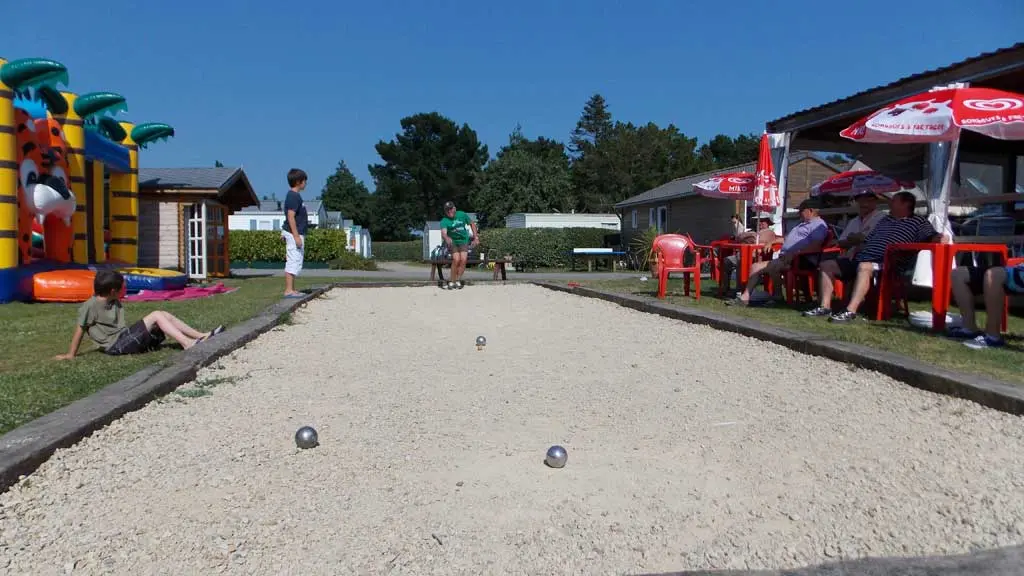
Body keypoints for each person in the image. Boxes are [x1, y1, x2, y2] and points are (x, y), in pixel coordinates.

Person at [802, 191, 942, 322]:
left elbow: (933, 237)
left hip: (888, 264)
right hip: (861, 257)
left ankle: (850, 311)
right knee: (826, 265)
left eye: (894, 201)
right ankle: (825, 307)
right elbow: (869, 240)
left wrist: (941, 238)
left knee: (865, 267)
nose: (890, 204)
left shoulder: (918, 222)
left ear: (905, 204)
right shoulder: (885, 220)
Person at [56, 270, 224, 359]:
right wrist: (71, 354)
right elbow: (80, 329)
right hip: (115, 346)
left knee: (162, 313)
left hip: (123, 338)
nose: (125, 289)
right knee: (157, 315)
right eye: (123, 287)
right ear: (113, 291)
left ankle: (201, 335)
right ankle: (187, 343)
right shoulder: (90, 306)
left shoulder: (113, 300)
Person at [728, 198, 828, 306]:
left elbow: (815, 246)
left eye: (801, 211)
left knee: (765, 267)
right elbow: (786, 239)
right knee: (759, 266)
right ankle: (765, 296)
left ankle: (754, 298)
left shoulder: (818, 225)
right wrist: (772, 242)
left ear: (810, 210)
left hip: (801, 259)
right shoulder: (802, 224)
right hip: (787, 257)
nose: (799, 213)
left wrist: (795, 253)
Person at [947, 261, 1024, 350]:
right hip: (1015, 268)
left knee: (994, 275)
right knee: (958, 274)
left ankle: (992, 337)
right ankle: (969, 328)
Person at [720, 215, 777, 295]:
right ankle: (725, 288)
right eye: (759, 220)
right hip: (744, 254)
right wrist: (749, 236)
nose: (760, 222)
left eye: (763, 221)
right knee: (727, 260)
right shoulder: (754, 231)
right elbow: (740, 237)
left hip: (759, 257)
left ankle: (739, 289)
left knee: (741, 259)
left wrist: (748, 236)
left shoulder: (769, 232)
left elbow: (754, 239)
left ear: (768, 223)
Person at [439, 201, 479, 290]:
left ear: (454, 209)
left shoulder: (462, 214)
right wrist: (446, 237)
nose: (449, 212)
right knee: (456, 260)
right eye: (447, 211)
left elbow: (472, 224)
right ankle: (452, 281)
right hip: (453, 242)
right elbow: (444, 233)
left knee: (463, 260)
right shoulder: (444, 220)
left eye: (450, 209)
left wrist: (476, 237)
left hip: (464, 240)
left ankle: (457, 279)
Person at [282, 168, 308, 298]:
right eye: (304, 181)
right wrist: (296, 236)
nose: (306, 183)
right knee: (293, 260)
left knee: (296, 260)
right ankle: (288, 290)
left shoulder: (295, 196)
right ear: (298, 182)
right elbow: (290, 216)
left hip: (293, 233)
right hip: (294, 234)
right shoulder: (293, 196)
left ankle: (292, 289)